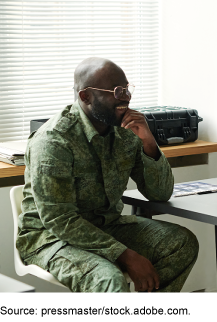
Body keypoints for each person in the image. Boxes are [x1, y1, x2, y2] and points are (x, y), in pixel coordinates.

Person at [17, 57, 199, 293]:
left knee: (181, 244)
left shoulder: (126, 130)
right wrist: (125, 255)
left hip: (107, 227)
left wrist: (149, 145)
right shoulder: (54, 140)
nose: (126, 96)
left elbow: (160, 194)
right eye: (116, 91)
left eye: (126, 88)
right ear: (86, 97)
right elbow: (59, 220)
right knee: (108, 279)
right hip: (51, 239)